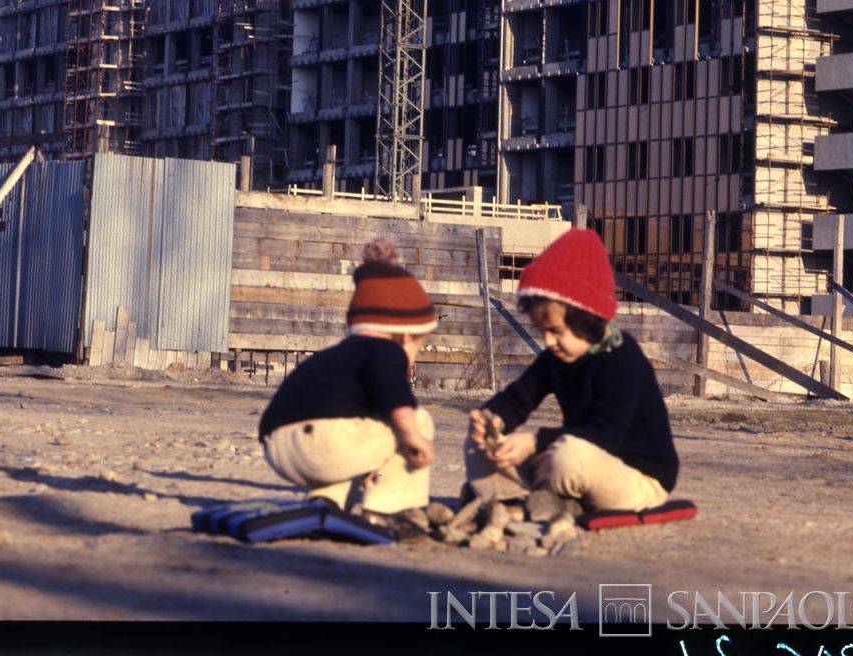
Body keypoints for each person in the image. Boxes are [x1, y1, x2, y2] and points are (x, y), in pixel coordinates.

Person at [464, 227, 679, 521]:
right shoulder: (558, 356)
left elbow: (603, 436)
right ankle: (513, 499)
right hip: (575, 465)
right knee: (478, 444)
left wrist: (534, 443)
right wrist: (492, 419)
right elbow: (520, 396)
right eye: (543, 332)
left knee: (568, 456)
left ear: (586, 319)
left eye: (556, 331)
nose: (548, 341)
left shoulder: (622, 358)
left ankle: (528, 501)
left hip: (636, 479)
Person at [258, 238, 438, 538]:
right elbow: (393, 394)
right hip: (328, 444)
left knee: (354, 436)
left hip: (277, 446)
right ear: (405, 335)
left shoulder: (335, 355)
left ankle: (325, 501)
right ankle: (387, 511)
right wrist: (413, 436)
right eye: (417, 349)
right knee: (417, 420)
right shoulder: (386, 351)